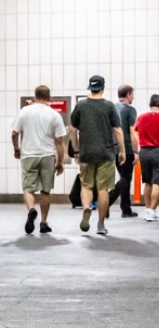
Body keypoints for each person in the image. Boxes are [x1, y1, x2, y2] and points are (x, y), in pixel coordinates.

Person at [69, 76, 125, 235]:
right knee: (103, 189)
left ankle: (86, 208)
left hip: (86, 152)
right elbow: (118, 130)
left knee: (86, 185)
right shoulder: (109, 106)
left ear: (90, 88)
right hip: (106, 153)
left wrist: (76, 150)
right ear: (103, 88)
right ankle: (100, 224)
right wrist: (122, 151)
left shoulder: (81, 105)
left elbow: (72, 129)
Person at [10, 86, 66, 234]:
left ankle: (32, 210)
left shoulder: (24, 112)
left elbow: (14, 134)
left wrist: (16, 149)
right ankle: (43, 222)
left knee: (28, 189)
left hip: (29, 155)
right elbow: (59, 142)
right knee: (45, 191)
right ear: (49, 98)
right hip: (47, 156)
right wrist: (60, 162)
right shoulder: (54, 115)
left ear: (35, 96)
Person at [109, 85, 140, 217]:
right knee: (126, 179)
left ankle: (125, 210)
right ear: (128, 95)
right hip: (126, 148)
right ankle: (108, 201)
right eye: (132, 94)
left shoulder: (111, 108)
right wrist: (136, 151)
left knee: (124, 177)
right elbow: (132, 132)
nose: (133, 97)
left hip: (112, 148)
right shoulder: (130, 110)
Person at [138, 93, 159, 222]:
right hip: (158, 151)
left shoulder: (141, 117)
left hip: (144, 151)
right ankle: (152, 210)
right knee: (157, 182)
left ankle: (147, 210)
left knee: (147, 181)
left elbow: (135, 131)